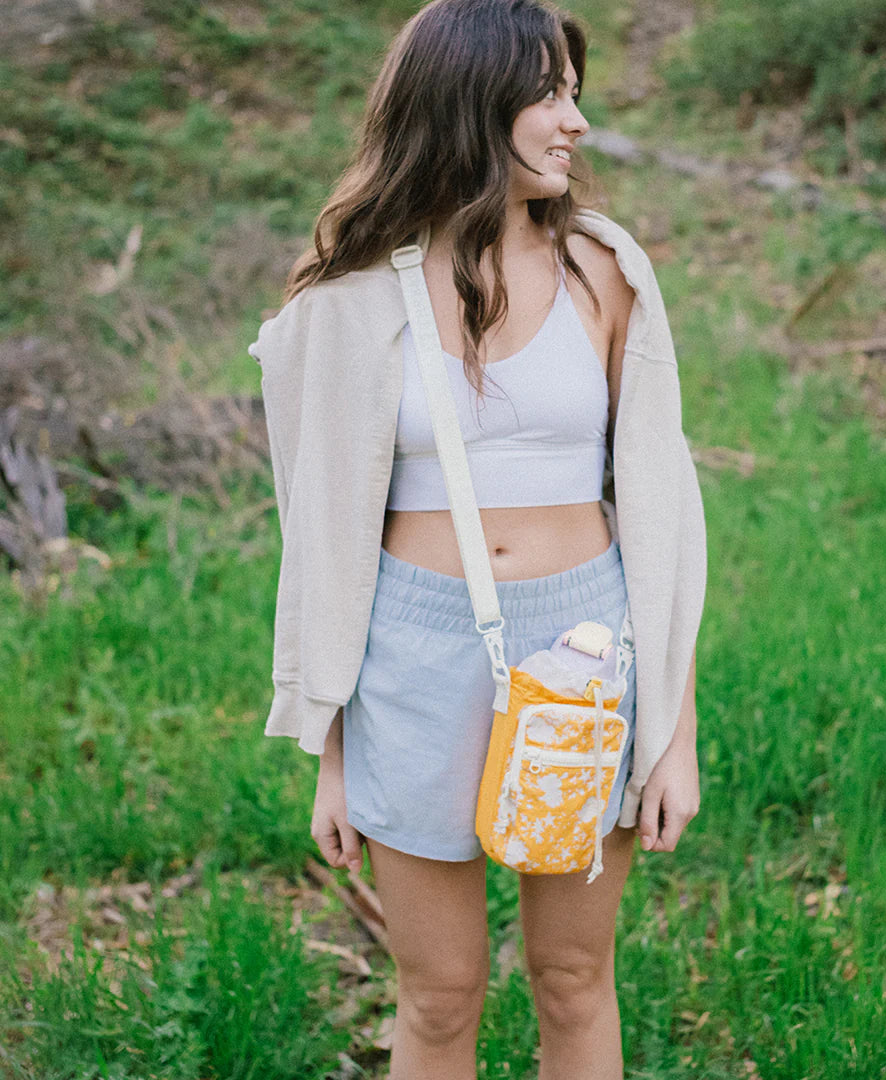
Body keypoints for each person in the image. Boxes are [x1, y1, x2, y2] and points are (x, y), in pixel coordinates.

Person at [248, 1, 707, 1076]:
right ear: (471, 101)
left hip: (584, 645)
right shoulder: (352, 298)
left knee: (573, 978)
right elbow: (318, 540)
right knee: (440, 995)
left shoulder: (604, 273)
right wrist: (333, 754)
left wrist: (673, 730)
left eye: (576, 94)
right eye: (550, 94)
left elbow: (663, 514)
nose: (576, 121)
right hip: (411, 651)